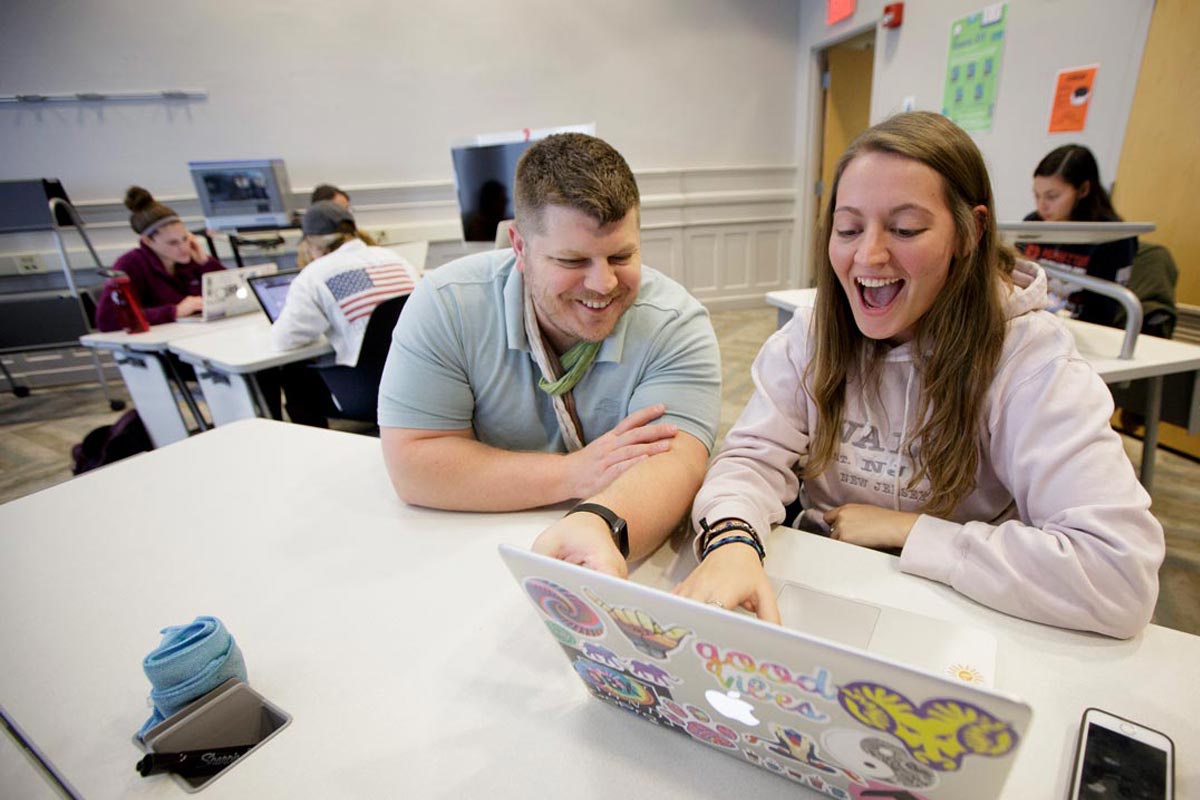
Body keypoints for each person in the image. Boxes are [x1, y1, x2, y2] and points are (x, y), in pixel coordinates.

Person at [675, 112, 1164, 639]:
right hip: (828, 593)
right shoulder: (812, 334)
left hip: (970, 616)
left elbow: (1118, 575)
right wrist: (731, 538)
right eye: (848, 228)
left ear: (970, 231)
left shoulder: (1029, 359)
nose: (869, 254)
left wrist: (907, 531)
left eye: (906, 229)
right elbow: (750, 459)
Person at [378, 133, 721, 575]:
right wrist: (574, 474)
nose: (604, 284)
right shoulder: (446, 304)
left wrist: (598, 525)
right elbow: (415, 464)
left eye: (621, 255)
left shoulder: (675, 322)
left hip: (608, 553)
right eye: (572, 261)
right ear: (519, 247)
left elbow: (676, 464)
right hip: (460, 554)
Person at [271, 201, 420, 367]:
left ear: (312, 243)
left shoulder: (313, 275)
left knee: (299, 372)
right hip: (419, 367)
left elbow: (285, 340)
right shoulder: (396, 258)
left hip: (369, 379)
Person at [1018, 144, 1138, 327]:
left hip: (1082, 331)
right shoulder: (1033, 224)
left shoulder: (1112, 237)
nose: (1042, 206)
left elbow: (1103, 313)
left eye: (1052, 196)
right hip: (1033, 325)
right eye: (1037, 196)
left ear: (1083, 190)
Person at [94, 187, 226, 331]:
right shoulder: (130, 264)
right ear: (148, 241)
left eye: (185, 238)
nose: (184, 248)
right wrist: (174, 311)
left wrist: (205, 263)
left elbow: (234, 295)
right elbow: (107, 320)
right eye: (172, 243)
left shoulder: (193, 259)